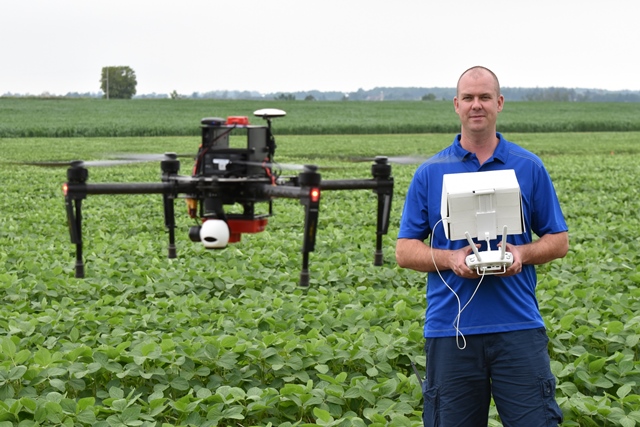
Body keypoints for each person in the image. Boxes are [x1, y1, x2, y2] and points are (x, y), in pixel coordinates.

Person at [396, 66, 568, 426]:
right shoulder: (430, 172)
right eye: (470, 98)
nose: (477, 105)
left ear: (499, 103)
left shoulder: (528, 167)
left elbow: (559, 241)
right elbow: (404, 251)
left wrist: (522, 253)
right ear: (456, 105)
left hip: (517, 326)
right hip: (451, 329)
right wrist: (450, 258)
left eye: (485, 97)